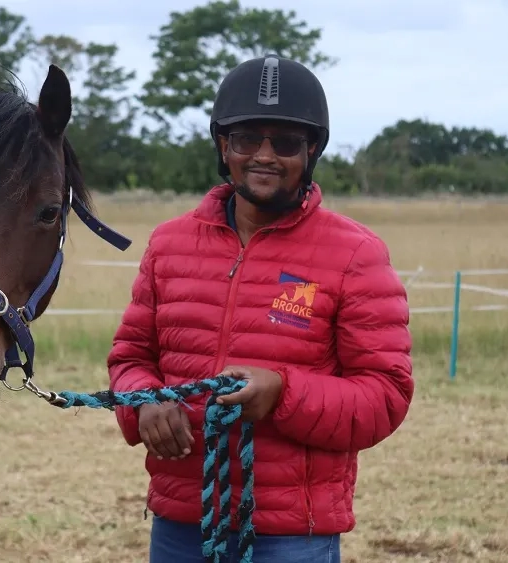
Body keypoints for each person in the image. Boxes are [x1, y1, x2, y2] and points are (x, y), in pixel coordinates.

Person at [106, 54, 415, 563]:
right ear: (224, 147)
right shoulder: (169, 244)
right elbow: (130, 358)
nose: (264, 156)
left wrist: (282, 394)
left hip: (292, 534)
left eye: (287, 142)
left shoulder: (356, 254)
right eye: (248, 139)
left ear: (311, 150)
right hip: (183, 521)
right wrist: (144, 401)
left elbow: (385, 394)